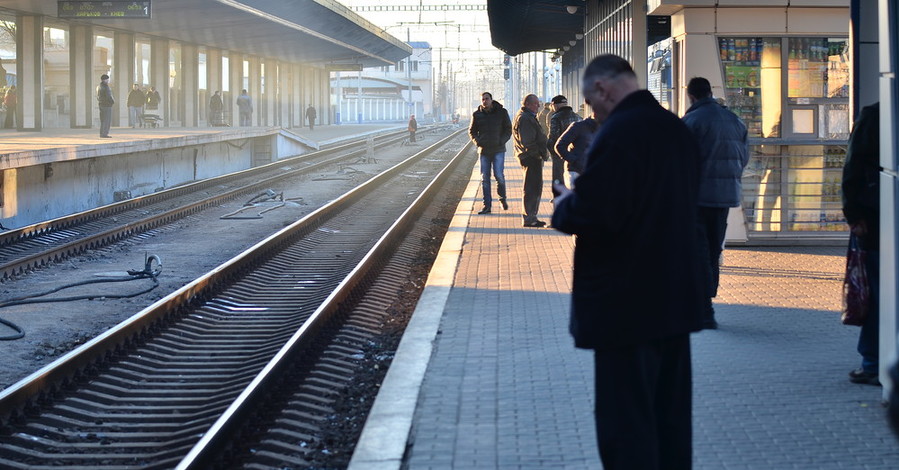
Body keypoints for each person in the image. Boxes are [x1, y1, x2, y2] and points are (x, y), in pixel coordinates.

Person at [551, 54, 704, 469]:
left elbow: (599, 213)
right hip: (675, 299)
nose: (594, 113)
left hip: (627, 305)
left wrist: (567, 206)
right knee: (670, 418)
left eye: (592, 102)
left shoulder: (619, 134)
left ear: (603, 88)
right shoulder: (676, 130)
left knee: (626, 423)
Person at [682, 77, 750, 330]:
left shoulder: (691, 121)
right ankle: (705, 303)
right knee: (713, 250)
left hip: (697, 198)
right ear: (710, 93)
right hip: (724, 196)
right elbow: (743, 158)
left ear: (690, 96)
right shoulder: (734, 120)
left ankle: (705, 310)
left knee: (698, 252)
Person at [841, 102, 881, 386]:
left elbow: (853, 167)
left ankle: (873, 362)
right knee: (878, 292)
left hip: (874, 221)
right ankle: (873, 362)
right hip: (875, 221)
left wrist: (855, 215)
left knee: (877, 293)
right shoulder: (875, 116)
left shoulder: (873, 116)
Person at [468, 91, 512, 214]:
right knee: (485, 179)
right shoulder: (477, 114)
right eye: (482, 99)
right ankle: (487, 206)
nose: (484, 101)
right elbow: (471, 131)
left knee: (499, 176)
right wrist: (478, 142)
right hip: (484, 151)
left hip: (498, 149)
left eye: (487, 99)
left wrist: (501, 141)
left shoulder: (502, 112)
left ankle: (502, 198)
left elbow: (508, 129)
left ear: (492, 100)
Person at [513, 93, 548, 227]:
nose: (538, 106)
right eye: (535, 103)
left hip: (529, 156)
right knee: (532, 188)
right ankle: (529, 218)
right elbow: (527, 141)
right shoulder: (525, 118)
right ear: (527, 104)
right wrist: (538, 154)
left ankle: (532, 216)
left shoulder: (526, 116)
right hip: (530, 158)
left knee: (533, 187)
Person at [554, 98, 600, 187]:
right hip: (575, 173)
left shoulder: (604, 130)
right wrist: (574, 160)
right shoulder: (578, 127)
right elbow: (559, 145)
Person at [547, 95, 581, 189]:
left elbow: (553, 137)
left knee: (559, 179)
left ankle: (558, 199)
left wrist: (552, 152)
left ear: (555, 105)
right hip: (574, 155)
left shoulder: (556, 118)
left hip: (560, 153)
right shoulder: (577, 117)